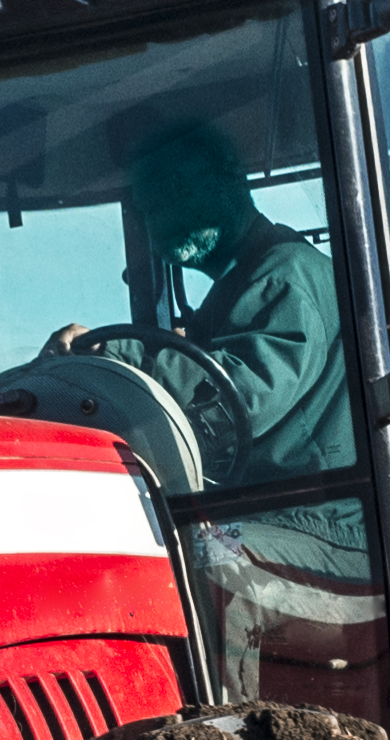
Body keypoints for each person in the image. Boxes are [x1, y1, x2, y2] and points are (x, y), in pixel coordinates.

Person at [75, 117, 348, 487]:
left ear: (230, 179)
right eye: (146, 203)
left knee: (192, 547)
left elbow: (235, 401)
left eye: (174, 187)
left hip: (308, 516)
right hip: (251, 510)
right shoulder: (235, 290)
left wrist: (109, 354)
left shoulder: (285, 277)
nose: (158, 211)